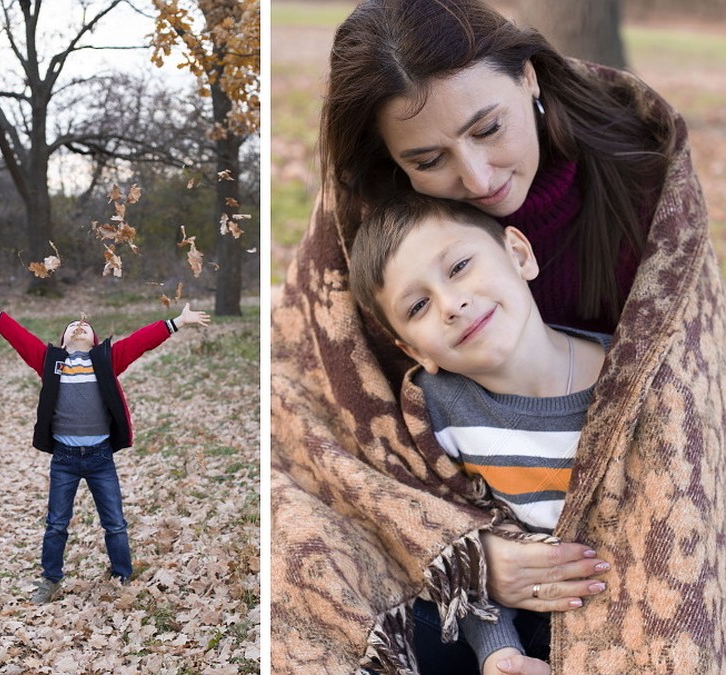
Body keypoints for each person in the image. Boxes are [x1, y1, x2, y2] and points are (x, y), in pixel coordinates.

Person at [270, 0, 725, 672]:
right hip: (471, 540)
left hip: (619, 522)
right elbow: (317, 402)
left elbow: (683, 397)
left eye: (488, 128)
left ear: (530, 78)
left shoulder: (642, 174)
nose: (477, 179)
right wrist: (465, 553)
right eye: (428, 159)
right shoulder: (373, 224)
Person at [349, 194, 615, 675]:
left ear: (519, 254)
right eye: (419, 304)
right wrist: (500, 652)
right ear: (414, 349)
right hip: (522, 619)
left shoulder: (634, 371)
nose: (452, 304)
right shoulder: (438, 410)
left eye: (460, 266)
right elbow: (454, 539)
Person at [0, 285, 210, 603]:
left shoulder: (106, 361)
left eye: (85, 326)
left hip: (100, 456)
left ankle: (121, 574)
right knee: (57, 524)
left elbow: (140, 342)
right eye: (73, 327)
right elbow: (19, 337)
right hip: (64, 458)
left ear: (95, 340)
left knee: (114, 522)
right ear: (63, 341)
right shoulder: (51, 363)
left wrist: (177, 322)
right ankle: (50, 579)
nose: (79, 326)